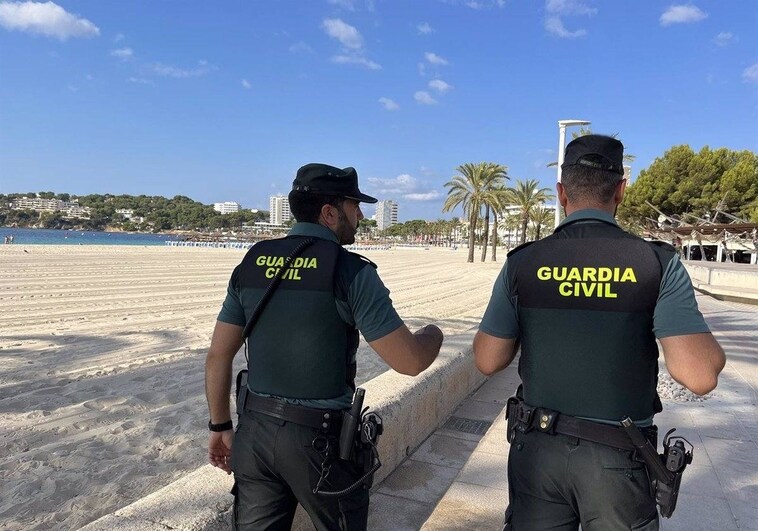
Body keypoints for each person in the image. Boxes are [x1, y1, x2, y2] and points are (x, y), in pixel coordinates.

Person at [473, 135, 726, 531]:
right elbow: (700, 375)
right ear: (621, 190)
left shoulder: (523, 262)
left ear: (561, 193)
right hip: (619, 461)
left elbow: (487, 360)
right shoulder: (655, 262)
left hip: (538, 453)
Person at [205, 163, 444, 530]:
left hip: (254, 433)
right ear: (329, 213)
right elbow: (409, 362)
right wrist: (432, 335)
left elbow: (219, 354)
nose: (361, 215)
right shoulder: (350, 271)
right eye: (355, 206)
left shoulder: (252, 263)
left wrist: (220, 425)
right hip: (319, 443)